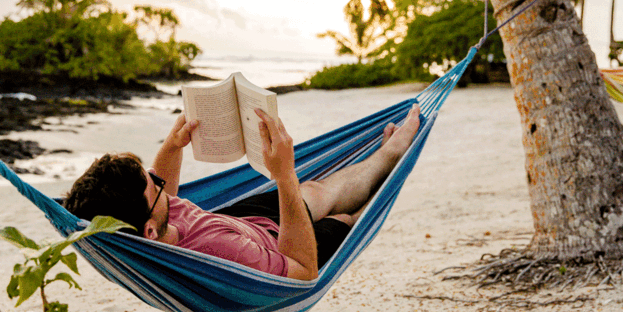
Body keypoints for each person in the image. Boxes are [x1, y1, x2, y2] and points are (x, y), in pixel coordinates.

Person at [63, 106, 421, 280]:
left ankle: (384, 157)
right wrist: (282, 177)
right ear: (149, 232)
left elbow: (158, 187)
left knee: (313, 190)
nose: (160, 182)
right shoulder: (220, 252)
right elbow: (302, 271)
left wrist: (173, 147)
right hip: (274, 247)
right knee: (344, 219)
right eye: (154, 186)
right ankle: (388, 171)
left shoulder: (139, 222)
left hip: (236, 221)